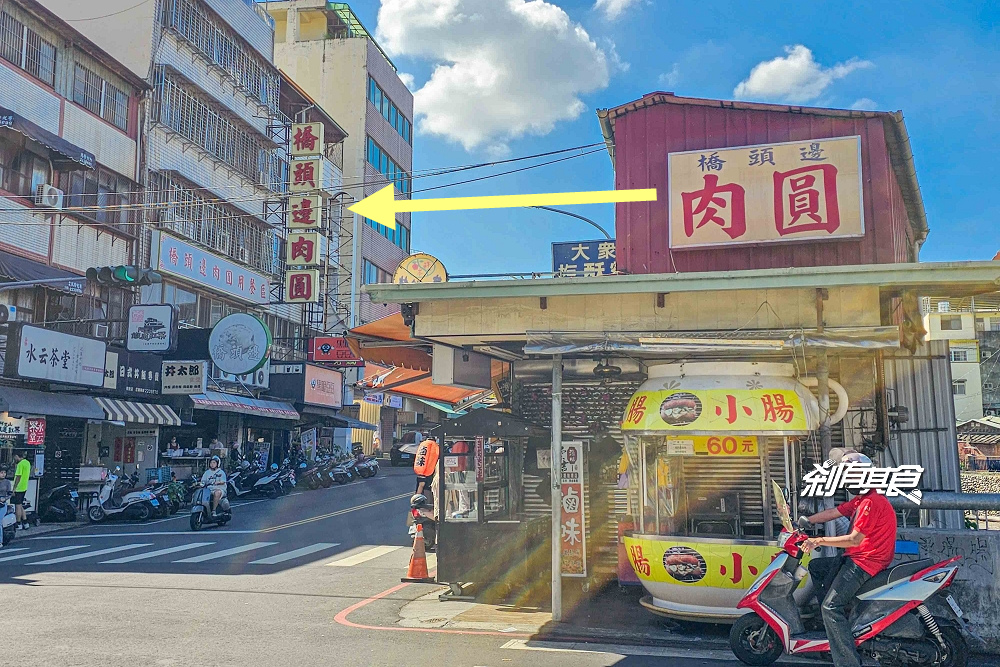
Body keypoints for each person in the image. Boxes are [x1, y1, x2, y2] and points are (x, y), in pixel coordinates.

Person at [800, 449, 896, 667]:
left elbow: (853, 540)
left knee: (829, 608)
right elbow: (834, 512)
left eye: (851, 475)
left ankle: (848, 661)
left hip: (865, 563)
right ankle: (837, 628)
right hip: (860, 558)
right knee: (818, 566)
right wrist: (806, 521)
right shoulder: (863, 499)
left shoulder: (871, 503)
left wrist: (818, 541)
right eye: (846, 476)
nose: (847, 480)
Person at [12, 451, 31, 530]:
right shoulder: (27, 463)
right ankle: (25, 522)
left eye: (14, 457)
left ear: (17, 456)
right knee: (20, 505)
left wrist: (14, 488)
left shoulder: (20, 464)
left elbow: (18, 477)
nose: (14, 459)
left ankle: (18, 523)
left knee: (17, 506)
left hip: (19, 488)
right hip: (24, 486)